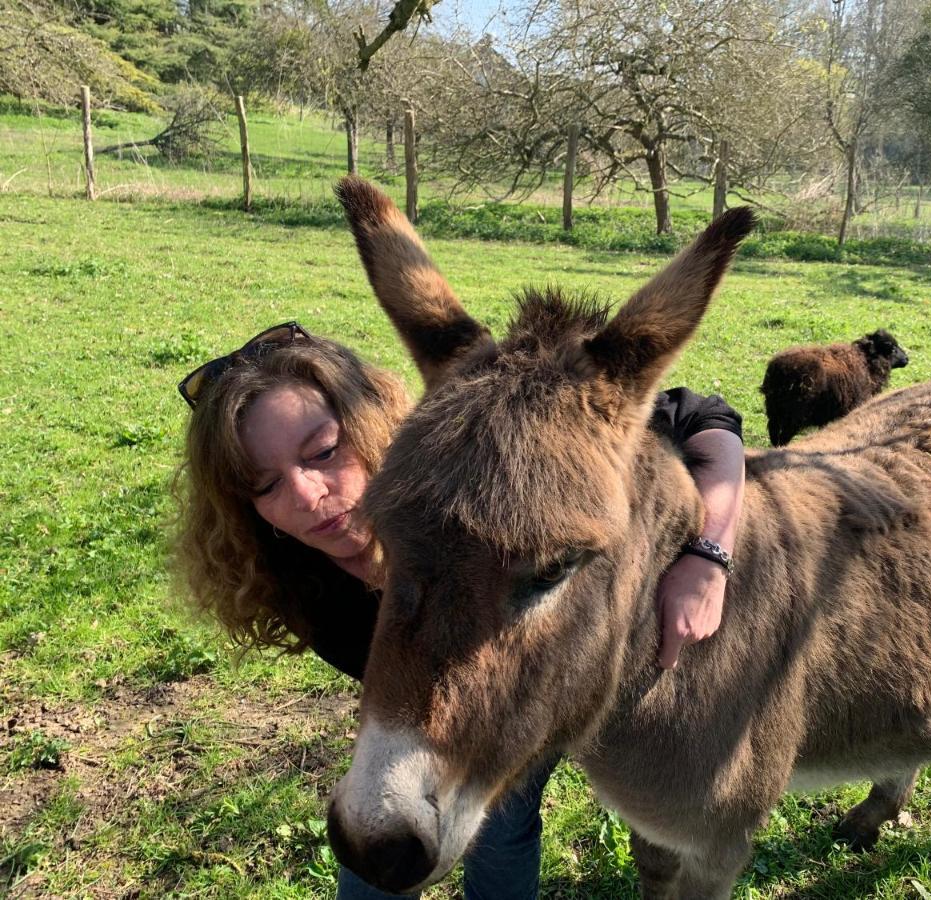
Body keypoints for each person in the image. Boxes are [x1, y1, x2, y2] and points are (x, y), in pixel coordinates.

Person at [174, 322, 746, 899]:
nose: (304, 496)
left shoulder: (471, 454)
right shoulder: (291, 574)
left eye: (323, 451)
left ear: (371, 420)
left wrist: (710, 554)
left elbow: (703, 416)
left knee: (505, 823)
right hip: (452, 713)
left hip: (527, 696)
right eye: (264, 485)